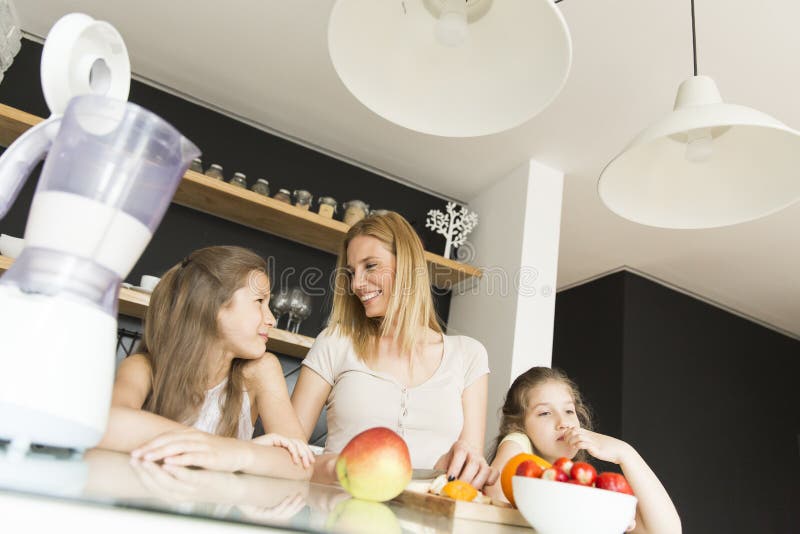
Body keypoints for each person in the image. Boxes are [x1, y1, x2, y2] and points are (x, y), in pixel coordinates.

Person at [291, 212, 498, 488]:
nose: (356, 284)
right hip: (334, 506)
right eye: (351, 272)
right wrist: (341, 468)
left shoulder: (468, 355)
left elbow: (467, 471)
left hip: (426, 512)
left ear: (408, 267)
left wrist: (456, 465)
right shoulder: (334, 342)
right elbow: (287, 454)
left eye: (370, 266)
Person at [97, 246, 314, 480]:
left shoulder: (260, 371)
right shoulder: (143, 367)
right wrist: (220, 447)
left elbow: (301, 464)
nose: (271, 319)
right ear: (213, 306)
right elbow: (108, 423)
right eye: (259, 301)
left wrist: (233, 453)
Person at [484, 367, 681, 534]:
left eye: (569, 411)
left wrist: (626, 453)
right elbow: (496, 495)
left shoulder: (578, 482)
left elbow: (668, 531)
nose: (563, 422)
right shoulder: (518, 444)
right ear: (518, 425)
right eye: (545, 413)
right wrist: (514, 438)